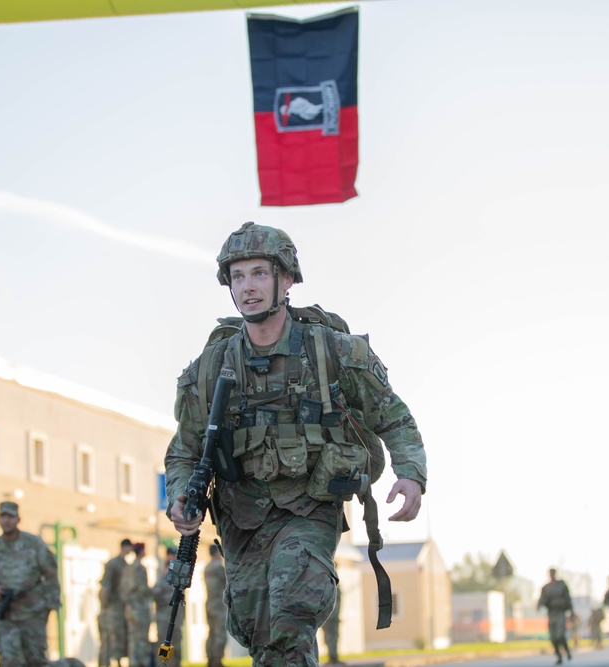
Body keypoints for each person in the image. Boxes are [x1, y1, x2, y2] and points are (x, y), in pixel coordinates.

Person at [165, 222, 428, 667]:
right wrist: (178, 496)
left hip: (310, 506)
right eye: (238, 276)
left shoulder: (333, 352)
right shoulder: (211, 367)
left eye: (259, 273)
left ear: (286, 279)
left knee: (292, 608)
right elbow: (185, 449)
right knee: (257, 630)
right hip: (242, 516)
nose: (248, 287)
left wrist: (411, 474)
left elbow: (392, 415)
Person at [0, 500, 61, 667]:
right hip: (7, 615)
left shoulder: (34, 544)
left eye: (11, 517)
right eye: (3, 516)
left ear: (18, 519)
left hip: (33, 613)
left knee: (36, 660)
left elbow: (50, 572)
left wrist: (50, 604)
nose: (7, 521)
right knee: (8, 661)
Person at [99, 538, 133, 666]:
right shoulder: (113, 564)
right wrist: (106, 605)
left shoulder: (125, 564)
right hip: (113, 608)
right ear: (125, 547)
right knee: (109, 640)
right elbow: (106, 585)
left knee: (120, 638)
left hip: (121, 606)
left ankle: (118, 662)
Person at [121, 542, 153, 667]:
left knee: (133, 638)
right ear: (141, 552)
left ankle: (133, 663)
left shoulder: (128, 568)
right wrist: (153, 591)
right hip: (140, 609)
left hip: (130, 609)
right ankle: (142, 663)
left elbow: (123, 588)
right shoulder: (140, 568)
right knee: (142, 639)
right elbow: (143, 590)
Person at [153, 546, 184, 667]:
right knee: (164, 645)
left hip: (177, 618)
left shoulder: (179, 575)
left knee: (176, 646)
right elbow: (156, 594)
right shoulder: (161, 575)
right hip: (164, 620)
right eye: (170, 555)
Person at [538, 568, 573, 664]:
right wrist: (539, 605)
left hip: (561, 613)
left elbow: (568, 598)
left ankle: (567, 650)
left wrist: (571, 612)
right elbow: (541, 598)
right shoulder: (546, 588)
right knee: (553, 637)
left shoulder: (561, 585)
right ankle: (559, 656)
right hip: (551, 613)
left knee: (560, 635)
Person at [204, 543, 228, 667]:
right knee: (219, 633)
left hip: (209, 604)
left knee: (211, 632)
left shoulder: (207, 567)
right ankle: (217, 661)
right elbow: (227, 582)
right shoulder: (218, 567)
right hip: (218, 604)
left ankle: (210, 658)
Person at [321, 581, 343, 666]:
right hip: (328, 617)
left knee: (333, 637)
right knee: (329, 637)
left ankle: (333, 658)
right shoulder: (329, 583)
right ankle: (332, 657)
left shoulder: (333, 584)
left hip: (331, 617)